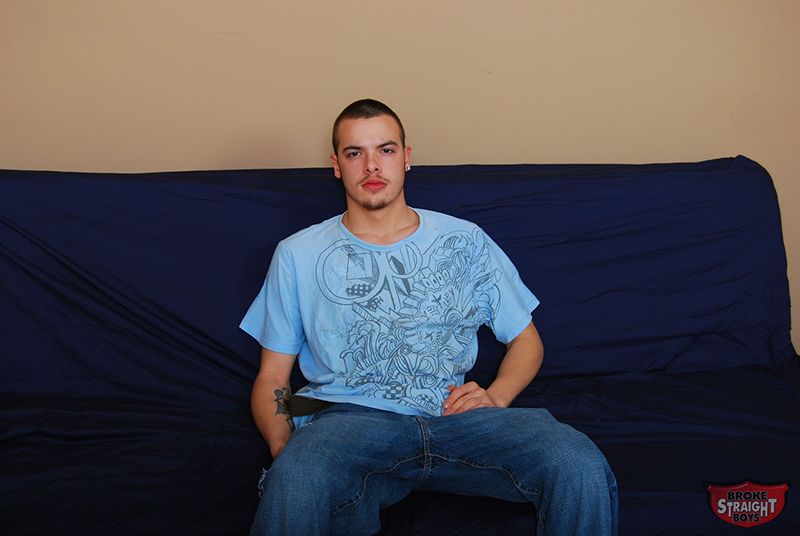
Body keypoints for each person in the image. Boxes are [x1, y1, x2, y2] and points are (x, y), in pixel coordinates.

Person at [240, 98, 618, 535]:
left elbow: (527, 340)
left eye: (385, 150)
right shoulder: (298, 254)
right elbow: (273, 377)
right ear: (337, 166)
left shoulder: (465, 240)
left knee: (578, 462)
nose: (371, 165)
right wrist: (282, 446)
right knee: (296, 482)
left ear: (406, 157)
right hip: (346, 420)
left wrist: (496, 397)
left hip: (455, 416)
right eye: (355, 153)